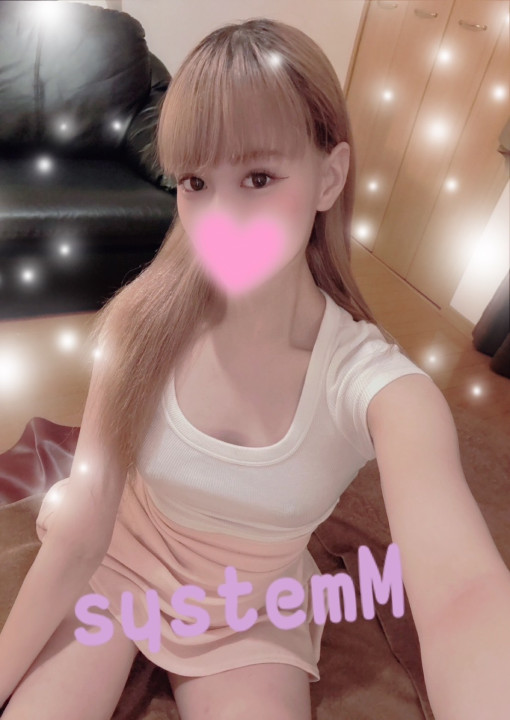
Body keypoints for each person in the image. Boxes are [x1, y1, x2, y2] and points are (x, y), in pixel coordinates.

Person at [1, 17, 509, 720]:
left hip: (252, 610)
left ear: (329, 176)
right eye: (196, 181)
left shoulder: (379, 390)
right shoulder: (137, 324)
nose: (220, 218)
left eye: (259, 177)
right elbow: (87, 523)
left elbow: (463, 593)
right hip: (115, 565)